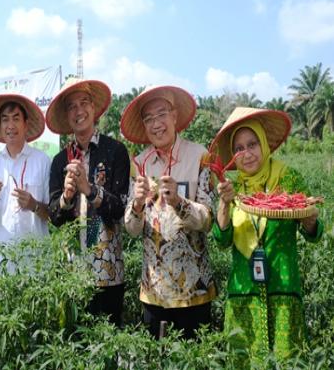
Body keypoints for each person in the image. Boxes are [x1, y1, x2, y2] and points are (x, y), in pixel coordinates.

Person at [209, 107, 324, 362]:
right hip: (243, 293)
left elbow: (314, 234)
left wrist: (310, 220)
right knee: (244, 362)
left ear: (263, 144)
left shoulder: (288, 178)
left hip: (283, 290)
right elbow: (221, 240)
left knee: (287, 362)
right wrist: (224, 204)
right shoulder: (232, 186)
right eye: (239, 148)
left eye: (252, 144)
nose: (246, 154)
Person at [121, 85, 216, 339]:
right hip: (154, 290)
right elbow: (131, 229)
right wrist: (138, 204)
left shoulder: (199, 156)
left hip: (194, 290)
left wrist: (179, 202)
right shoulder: (139, 163)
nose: (156, 124)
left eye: (161, 114)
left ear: (174, 116)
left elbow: (208, 220)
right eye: (149, 119)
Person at [46, 78, 130, 327]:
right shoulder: (60, 161)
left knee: (109, 344)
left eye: (84, 103)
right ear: (66, 115)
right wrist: (66, 198)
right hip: (72, 271)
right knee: (77, 344)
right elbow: (54, 217)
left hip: (108, 270)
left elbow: (119, 209)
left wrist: (89, 190)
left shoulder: (115, 151)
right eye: (71, 106)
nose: (79, 111)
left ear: (94, 108)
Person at [0, 94, 50, 274]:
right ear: (0, 126)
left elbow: (53, 215)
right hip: (3, 264)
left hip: (37, 264)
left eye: (16, 118)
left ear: (26, 123)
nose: (10, 125)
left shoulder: (43, 161)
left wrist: (34, 205)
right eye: (5, 120)